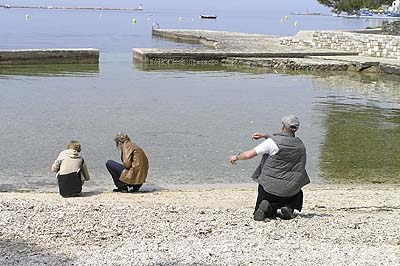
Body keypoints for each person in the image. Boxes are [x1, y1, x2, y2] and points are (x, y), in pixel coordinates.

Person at [229, 115, 310, 221]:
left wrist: (236, 157)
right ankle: (288, 208)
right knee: (297, 191)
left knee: (267, 199)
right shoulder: (300, 145)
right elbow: (283, 143)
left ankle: (267, 208)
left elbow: (249, 155)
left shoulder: (272, 143)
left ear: (282, 125)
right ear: (296, 128)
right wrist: (266, 136)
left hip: (269, 190)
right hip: (290, 192)